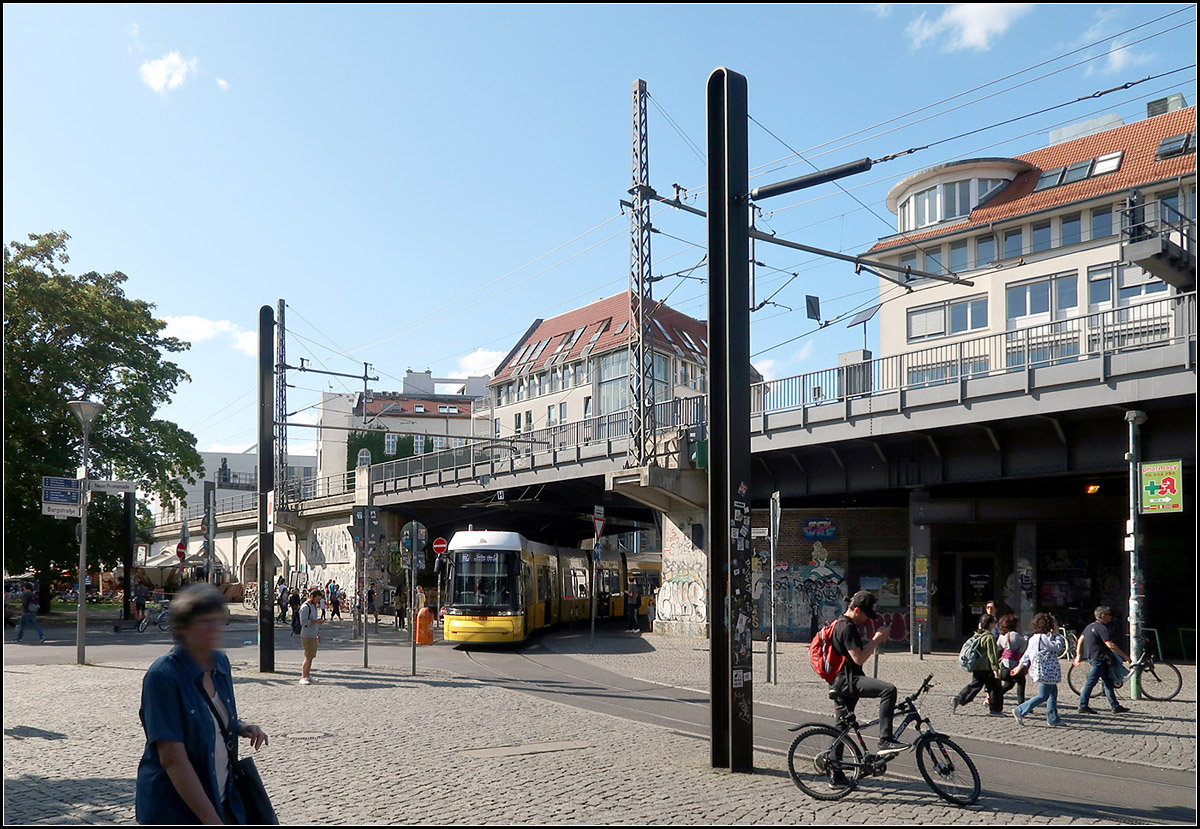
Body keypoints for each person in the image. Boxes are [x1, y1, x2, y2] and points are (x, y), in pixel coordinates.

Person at [135, 583, 269, 824]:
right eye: (205, 622)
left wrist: (238, 726)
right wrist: (211, 819)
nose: (214, 628)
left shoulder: (220, 663)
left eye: (218, 620)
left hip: (223, 800)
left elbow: (208, 716)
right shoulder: (163, 676)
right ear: (183, 628)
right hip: (175, 812)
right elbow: (172, 758)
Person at [828, 590, 907, 762]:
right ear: (856, 610)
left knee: (842, 727)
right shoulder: (847, 627)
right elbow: (858, 659)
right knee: (888, 690)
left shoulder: (839, 623)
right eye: (866, 614)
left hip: (839, 681)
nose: (867, 619)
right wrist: (875, 641)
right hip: (847, 681)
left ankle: (835, 772)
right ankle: (885, 740)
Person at [1074, 605, 1131, 714]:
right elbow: (1110, 644)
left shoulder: (1089, 626)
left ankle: (1115, 706)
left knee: (1108, 682)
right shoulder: (1101, 628)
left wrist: (1078, 655)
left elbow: (1080, 639)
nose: (1111, 617)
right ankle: (1082, 705)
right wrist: (1125, 656)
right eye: (1109, 615)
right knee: (1090, 683)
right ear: (1103, 615)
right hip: (1098, 660)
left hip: (1094, 658)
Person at [1013, 613, 1066, 727]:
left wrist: (1019, 666)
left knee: (1053, 693)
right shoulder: (1044, 638)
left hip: (1040, 671)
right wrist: (1057, 634)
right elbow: (1058, 647)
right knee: (1043, 695)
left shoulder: (1033, 638)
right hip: (1047, 672)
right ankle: (1020, 710)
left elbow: (1027, 654)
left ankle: (1053, 718)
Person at [953, 614, 1005, 716]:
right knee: (995, 688)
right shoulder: (989, 637)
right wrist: (995, 670)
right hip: (987, 667)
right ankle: (995, 710)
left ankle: (960, 698)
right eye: (994, 622)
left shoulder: (978, 635)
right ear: (990, 624)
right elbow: (992, 655)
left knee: (975, 685)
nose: (995, 624)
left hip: (977, 666)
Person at [997, 614, 1028, 705]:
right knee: (1021, 683)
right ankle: (1021, 703)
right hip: (1015, 663)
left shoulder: (1002, 636)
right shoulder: (1016, 636)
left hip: (1004, 664)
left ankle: (996, 695)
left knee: (1008, 684)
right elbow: (1024, 646)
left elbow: (998, 646)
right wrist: (1025, 636)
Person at [299, 588, 326, 685]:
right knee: (308, 656)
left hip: (313, 635)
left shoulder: (313, 606)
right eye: (317, 599)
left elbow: (314, 621)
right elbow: (303, 622)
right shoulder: (305, 607)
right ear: (311, 597)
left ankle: (307, 675)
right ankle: (303, 677)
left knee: (311, 657)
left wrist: (317, 634)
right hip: (307, 635)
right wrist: (316, 622)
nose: (318, 602)